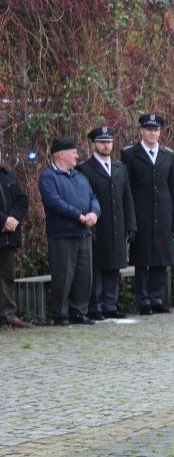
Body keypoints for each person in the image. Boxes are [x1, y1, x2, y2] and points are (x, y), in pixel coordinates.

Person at [121, 113, 174, 315]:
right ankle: (143, 301)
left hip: (163, 215)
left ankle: (156, 299)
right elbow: (126, 190)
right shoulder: (129, 154)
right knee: (142, 261)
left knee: (161, 260)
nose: (152, 133)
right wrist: (130, 221)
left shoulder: (168, 155)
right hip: (141, 215)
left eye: (156, 130)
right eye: (149, 129)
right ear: (141, 131)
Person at [38, 137, 100, 325]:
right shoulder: (48, 177)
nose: (76, 156)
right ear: (61, 154)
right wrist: (79, 216)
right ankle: (60, 314)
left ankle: (79, 311)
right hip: (63, 234)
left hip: (84, 233)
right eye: (73, 152)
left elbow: (93, 197)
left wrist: (95, 213)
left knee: (84, 275)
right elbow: (54, 202)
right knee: (63, 276)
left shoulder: (79, 176)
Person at [78, 126, 136, 320]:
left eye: (109, 142)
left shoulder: (120, 168)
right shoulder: (85, 169)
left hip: (118, 224)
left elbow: (127, 198)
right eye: (102, 142)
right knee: (98, 266)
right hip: (97, 225)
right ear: (93, 144)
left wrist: (131, 225)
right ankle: (96, 306)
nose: (106, 145)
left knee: (114, 265)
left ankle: (110, 304)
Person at [0, 145, 30, 328]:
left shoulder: (7, 174)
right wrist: (3, 220)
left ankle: (8, 315)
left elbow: (22, 199)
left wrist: (13, 219)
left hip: (7, 237)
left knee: (6, 275)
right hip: (4, 227)